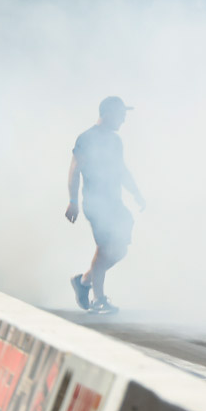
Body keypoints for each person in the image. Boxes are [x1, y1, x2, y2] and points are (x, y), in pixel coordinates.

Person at [65, 96, 145, 313]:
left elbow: (121, 170)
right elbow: (75, 170)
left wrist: (136, 193)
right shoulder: (87, 138)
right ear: (108, 114)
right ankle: (98, 299)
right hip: (95, 203)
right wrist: (72, 201)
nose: (123, 120)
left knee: (119, 250)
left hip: (115, 204)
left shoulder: (116, 141)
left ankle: (83, 281)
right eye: (121, 115)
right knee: (104, 249)